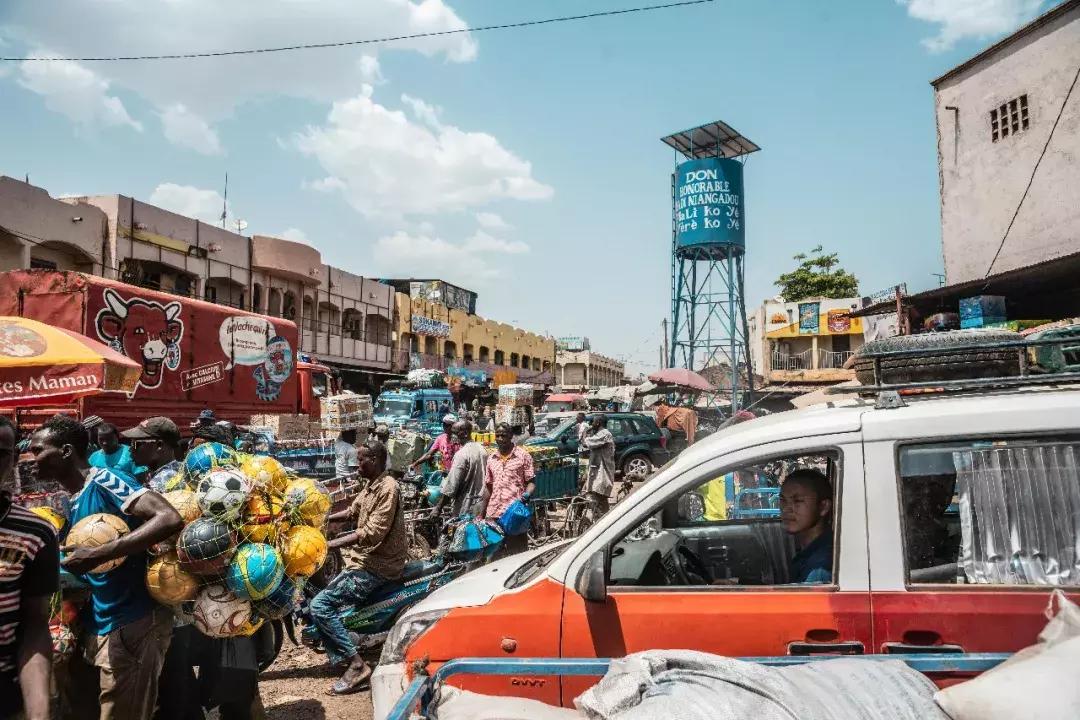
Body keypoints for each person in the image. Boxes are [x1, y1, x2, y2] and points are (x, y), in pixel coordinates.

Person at [29, 414, 184, 720]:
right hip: (101, 620)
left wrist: (99, 554)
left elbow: (168, 518)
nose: (31, 458)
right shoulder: (72, 500)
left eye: (38, 450)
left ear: (66, 452)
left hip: (134, 619)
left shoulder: (105, 481)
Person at [311, 441, 407, 696]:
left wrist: (329, 544)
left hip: (378, 565)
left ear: (375, 460)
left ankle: (357, 665)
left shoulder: (389, 488)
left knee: (319, 606)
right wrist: (318, 521)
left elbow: (372, 532)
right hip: (364, 559)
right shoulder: (370, 486)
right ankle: (343, 649)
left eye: (361, 460)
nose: (356, 465)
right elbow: (352, 513)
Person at [0, 416, 57, 720]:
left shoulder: (36, 533)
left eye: (0, 453)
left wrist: (39, 711)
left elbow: (34, 625)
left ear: (12, 461)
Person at [484, 423, 535, 556]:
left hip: (514, 513)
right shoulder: (491, 459)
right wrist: (482, 511)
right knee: (493, 554)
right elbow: (488, 487)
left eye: (504, 435)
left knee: (517, 554)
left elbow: (531, 482)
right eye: (498, 435)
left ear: (511, 436)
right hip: (494, 513)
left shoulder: (523, 456)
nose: (500, 438)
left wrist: (526, 495)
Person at [780, 469, 834, 584]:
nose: (786, 509)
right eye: (782, 500)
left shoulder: (819, 570)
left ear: (823, 507)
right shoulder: (811, 550)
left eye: (798, 501)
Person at [436, 421, 489, 519]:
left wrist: (438, 508)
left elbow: (451, 485)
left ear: (465, 433)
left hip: (465, 505)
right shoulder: (482, 449)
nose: (452, 435)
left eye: (455, 433)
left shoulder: (461, 454)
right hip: (481, 503)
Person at [124, 417, 183, 492]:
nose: (130, 449)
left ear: (159, 445)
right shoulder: (181, 468)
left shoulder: (158, 485)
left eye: (136, 444)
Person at [580, 414, 616, 517]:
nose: (592, 424)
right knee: (600, 499)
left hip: (603, 473)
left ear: (598, 423)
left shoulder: (605, 434)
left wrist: (585, 433)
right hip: (597, 471)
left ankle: (598, 522)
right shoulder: (600, 434)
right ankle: (605, 520)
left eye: (593, 422)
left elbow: (585, 443)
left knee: (594, 497)